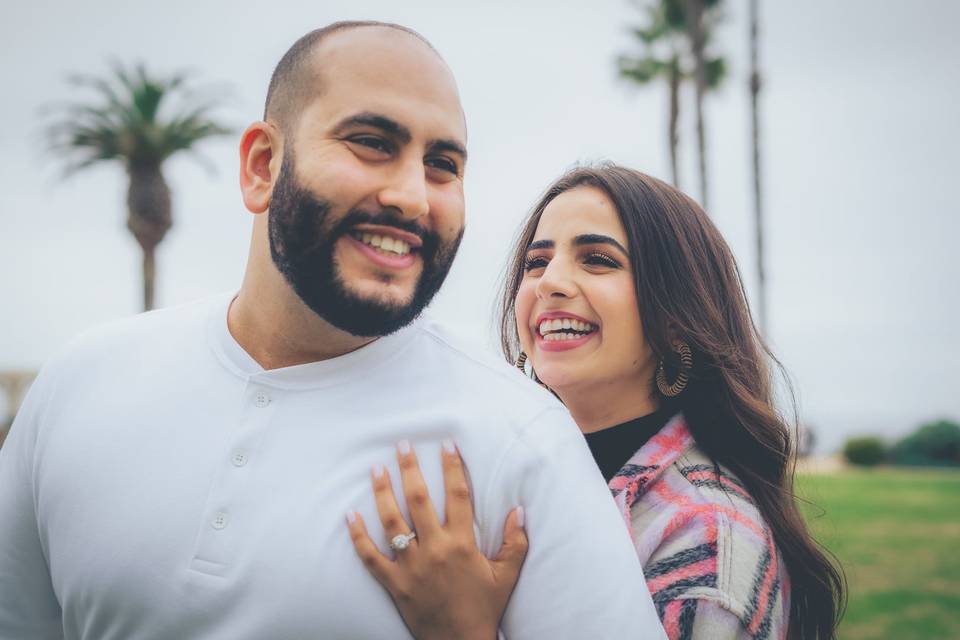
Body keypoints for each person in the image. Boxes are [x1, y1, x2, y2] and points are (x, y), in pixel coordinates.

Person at [0, 24, 667, 640]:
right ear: (262, 165)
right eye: (372, 143)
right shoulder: (78, 384)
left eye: (443, 164)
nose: (413, 195)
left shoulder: (523, 444)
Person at [349, 165, 846, 639]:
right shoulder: (507, 465)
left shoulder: (704, 544)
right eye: (536, 262)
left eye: (599, 260)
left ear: (676, 317)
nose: (550, 283)